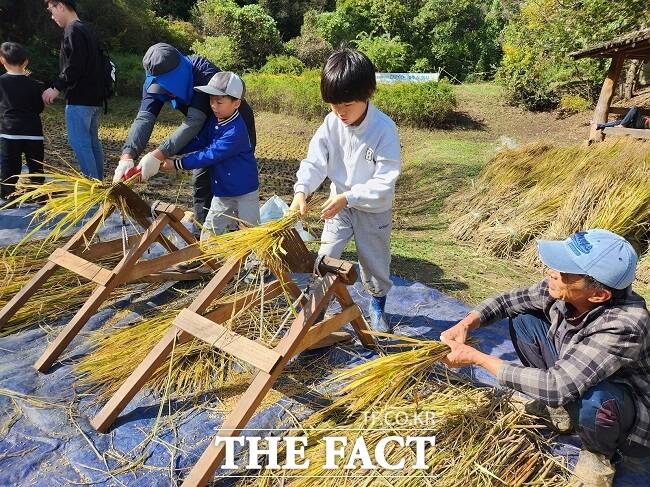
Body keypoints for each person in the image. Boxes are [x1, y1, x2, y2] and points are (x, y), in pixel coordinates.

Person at [440, 229, 650, 487]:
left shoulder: (625, 324)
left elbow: (556, 385)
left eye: (564, 272)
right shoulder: (565, 291)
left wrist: (477, 359)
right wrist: (466, 323)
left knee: (595, 399)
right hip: (574, 375)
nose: (551, 272)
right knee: (524, 320)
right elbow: (508, 301)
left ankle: (598, 455)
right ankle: (560, 411)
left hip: (621, 409)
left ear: (598, 295)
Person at [289, 49, 401, 333]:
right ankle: (318, 307)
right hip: (338, 206)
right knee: (325, 257)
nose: (340, 113)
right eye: (333, 105)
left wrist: (348, 197)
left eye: (347, 105)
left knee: (374, 263)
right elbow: (315, 161)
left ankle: (378, 304)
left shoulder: (384, 130)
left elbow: (385, 180)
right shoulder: (331, 124)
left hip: (373, 210)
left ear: (368, 94)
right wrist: (301, 191)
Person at [112, 43, 256, 234]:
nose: (168, 94)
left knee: (226, 180)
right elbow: (145, 117)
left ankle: (234, 236)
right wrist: (127, 156)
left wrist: (159, 154)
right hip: (205, 131)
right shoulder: (155, 81)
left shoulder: (203, 73)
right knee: (203, 184)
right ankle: (203, 238)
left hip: (231, 127)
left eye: (171, 88)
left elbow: (194, 121)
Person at [152, 71, 259, 237]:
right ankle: (210, 261)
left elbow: (209, 155)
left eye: (219, 102)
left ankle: (252, 263)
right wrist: (170, 150)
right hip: (223, 193)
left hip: (245, 192)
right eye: (211, 100)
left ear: (236, 103)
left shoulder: (235, 131)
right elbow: (200, 140)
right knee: (208, 234)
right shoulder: (216, 121)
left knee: (249, 235)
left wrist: (176, 164)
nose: (213, 106)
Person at [42, 0, 105, 180]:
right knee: (92, 142)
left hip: (80, 99)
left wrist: (55, 88)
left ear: (60, 5)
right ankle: (99, 186)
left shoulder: (73, 30)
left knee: (80, 143)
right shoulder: (86, 29)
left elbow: (74, 66)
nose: (52, 16)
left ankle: (92, 189)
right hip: (95, 99)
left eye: (52, 10)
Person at [0, 42, 45, 201]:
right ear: (25, 61)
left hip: (10, 132)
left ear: (2, 60)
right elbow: (39, 108)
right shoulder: (35, 85)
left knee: (9, 166)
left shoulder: (2, 82)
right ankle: (39, 195)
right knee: (36, 166)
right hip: (33, 132)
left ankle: (8, 196)